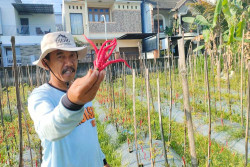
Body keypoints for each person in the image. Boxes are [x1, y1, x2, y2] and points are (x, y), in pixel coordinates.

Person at [28, 31, 109, 167]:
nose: (69, 63)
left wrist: (102, 160)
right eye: (60, 57)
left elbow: (89, 134)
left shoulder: (81, 91)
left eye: (72, 56)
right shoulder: (40, 97)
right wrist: (71, 102)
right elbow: (49, 129)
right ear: (46, 63)